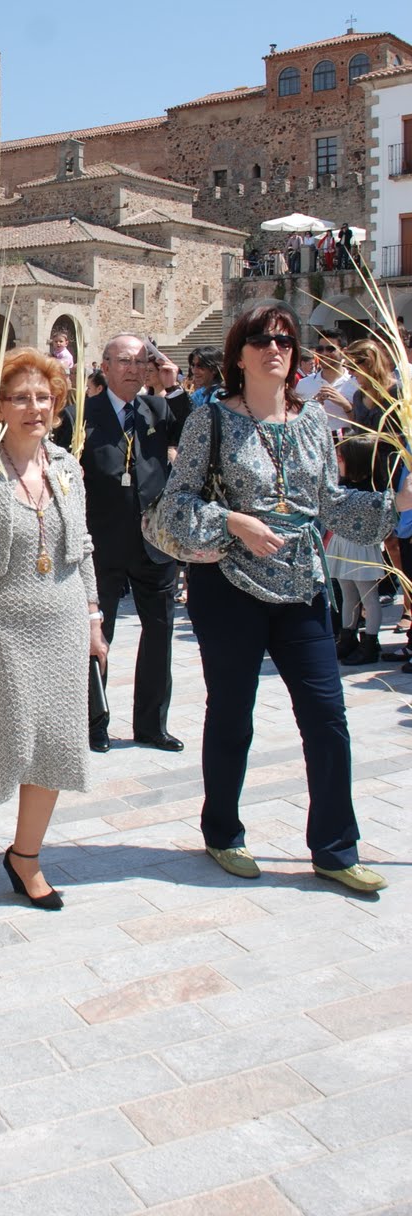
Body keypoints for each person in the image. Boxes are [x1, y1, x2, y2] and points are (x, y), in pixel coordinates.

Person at [153, 304, 407, 893]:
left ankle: (335, 849)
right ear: (239, 354)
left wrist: (397, 505)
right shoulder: (210, 420)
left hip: (303, 587)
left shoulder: (314, 420)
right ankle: (223, 831)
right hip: (230, 588)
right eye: (262, 339)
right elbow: (175, 505)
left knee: (327, 718)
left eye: (286, 340)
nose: (276, 348)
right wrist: (234, 521)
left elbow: (330, 503)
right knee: (232, 714)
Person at [0, 349, 104, 908]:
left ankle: (26, 855)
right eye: (21, 398)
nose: (35, 407)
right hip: (4, 627)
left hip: (63, 621)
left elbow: (82, 549)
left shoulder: (66, 467)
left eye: (44, 397)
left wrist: (93, 617)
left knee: (58, 743)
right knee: (9, 741)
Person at [79, 335, 188, 753]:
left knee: (159, 632)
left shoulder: (157, 409)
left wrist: (171, 384)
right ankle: (94, 722)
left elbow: (194, 429)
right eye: (124, 361)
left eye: (141, 362)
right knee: (97, 635)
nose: (133, 369)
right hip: (102, 543)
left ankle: (151, 724)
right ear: (105, 366)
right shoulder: (83, 414)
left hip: (153, 542)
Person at [329, 437, 387, 667]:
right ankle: (347, 637)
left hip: (360, 546)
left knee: (368, 597)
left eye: (341, 457)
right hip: (342, 542)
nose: (337, 461)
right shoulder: (341, 486)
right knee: (347, 594)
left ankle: (370, 643)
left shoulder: (373, 492)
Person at [297, 327, 358, 434]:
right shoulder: (303, 385)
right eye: (320, 349)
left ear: (343, 352)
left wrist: (346, 406)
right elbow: (296, 423)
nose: (324, 353)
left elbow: (364, 426)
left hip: (346, 442)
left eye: (330, 349)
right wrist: (312, 407)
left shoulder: (356, 384)